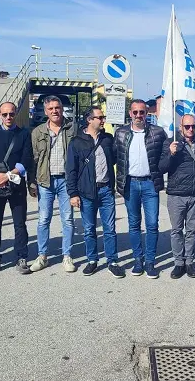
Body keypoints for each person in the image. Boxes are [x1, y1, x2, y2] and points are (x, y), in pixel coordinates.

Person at [66, 107, 124, 278]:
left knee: (110, 228)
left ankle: (112, 261)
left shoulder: (107, 139)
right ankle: (92, 260)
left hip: (106, 189)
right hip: (86, 192)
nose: (103, 120)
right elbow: (71, 170)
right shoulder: (76, 142)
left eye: (103, 117)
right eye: (99, 117)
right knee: (90, 228)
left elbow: (115, 159)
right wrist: (73, 194)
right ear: (89, 120)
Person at [114, 100, 167, 279]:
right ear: (130, 113)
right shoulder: (120, 133)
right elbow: (115, 157)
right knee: (134, 224)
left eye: (142, 112)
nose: (138, 116)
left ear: (147, 114)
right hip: (130, 184)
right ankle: (138, 259)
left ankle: (150, 261)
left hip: (150, 184)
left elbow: (166, 155)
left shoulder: (157, 132)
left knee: (152, 224)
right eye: (135, 112)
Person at [0, 102, 34, 275]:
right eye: (5, 114)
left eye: (11, 114)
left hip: (16, 184)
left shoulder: (24, 133)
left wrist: (8, 175)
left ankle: (21, 257)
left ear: (15, 113)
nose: (8, 117)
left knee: (20, 223)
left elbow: (27, 158)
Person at [28, 95, 77, 273]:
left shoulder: (73, 128)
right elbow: (32, 160)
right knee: (43, 220)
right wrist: (31, 183)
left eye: (57, 107)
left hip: (66, 181)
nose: (55, 111)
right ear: (46, 111)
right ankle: (42, 256)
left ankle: (67, 256)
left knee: (68, 220)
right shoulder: (38, 132)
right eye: (51, 109)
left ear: (62, 108)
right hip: (45, 181)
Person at [160, 114, 195, 279]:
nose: (191, 130)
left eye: (193, 126)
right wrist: (171, 154)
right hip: (176, 195)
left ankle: (189, 262)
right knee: (177, 230)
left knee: (192, 231)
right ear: (181, 127)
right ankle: (178, 263)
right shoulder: (171, 142)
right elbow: (162, 167)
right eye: (187, 126)